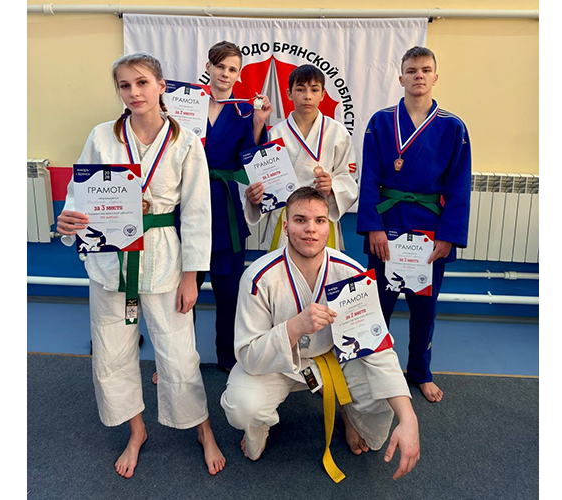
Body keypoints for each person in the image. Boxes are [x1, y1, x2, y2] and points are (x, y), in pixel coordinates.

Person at [55, 53, 226, 478]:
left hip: (165, 257)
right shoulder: (102, 136)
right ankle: (136, 430)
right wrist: (68, 220)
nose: (134, 92)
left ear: (161, 86)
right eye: (124, 85)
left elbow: (198, 214)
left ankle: (202, 428)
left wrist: (192, 276)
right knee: (112, 351)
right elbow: (79, 195)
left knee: (179, 354)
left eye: (142, 82)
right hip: (111, 258)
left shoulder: (186, 142)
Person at [221, 187, 421, 481]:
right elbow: (248, 355)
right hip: (278, 364)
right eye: (300, 220)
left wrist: (409, 418)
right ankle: (258, 428)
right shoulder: (259, 277)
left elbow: (377, 348)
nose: (310, 229)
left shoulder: (351, 273)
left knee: (379, 413)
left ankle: (349, 413)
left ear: (329, 226)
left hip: (334, 360)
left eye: (319, 220)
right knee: (243, 408)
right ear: (285, 226)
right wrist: (294, 327)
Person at [358, 46, 472, 403]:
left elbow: (458, 187)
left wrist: (448, 236)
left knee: (424, 308)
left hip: (429, 229)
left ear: (435, 77)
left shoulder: (452, 127)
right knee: (378, 304)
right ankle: (371, 369)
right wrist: (374, 227)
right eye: (411, 70)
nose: (418, 76)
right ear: (401, 77)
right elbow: (369, 177)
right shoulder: (381, 121)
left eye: (425, 70)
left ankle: (420, 372)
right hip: (388, 222)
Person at [197, 41, 272, 372]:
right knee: (181, 293)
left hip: (225, 207)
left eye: (232, 69)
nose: (225, 74)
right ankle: (177, 362)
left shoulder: (244, 111)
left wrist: (258, 123)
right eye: (220, 66)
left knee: (229, 294)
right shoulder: (186, 104)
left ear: (239, 75)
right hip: (190, 204)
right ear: (209, 67)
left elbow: (250, 159)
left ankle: (228, 357)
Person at [243, 64, 358, 251]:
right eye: (300, 89)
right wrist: (256, 195)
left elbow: (348, 177)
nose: (308, 96)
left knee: (322, 268)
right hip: (286, 215)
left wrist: (332, 187)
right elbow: (263, 181)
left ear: (323, 94)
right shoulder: (275, 134)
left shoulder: (338, 132)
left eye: (314, 90)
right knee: (283, 267)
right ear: (289, 94)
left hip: (321, 214)